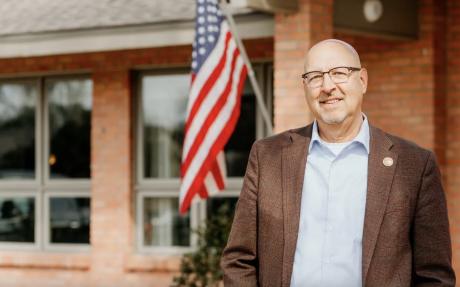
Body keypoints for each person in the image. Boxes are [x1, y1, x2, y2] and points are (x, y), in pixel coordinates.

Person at [220, 39, 455, 287]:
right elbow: (238, 259)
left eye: (339, 73)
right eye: (315, 77)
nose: (327, 86)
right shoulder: (268, 156)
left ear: (362, 80)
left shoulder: (414, 165)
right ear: (305, 86)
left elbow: (434, 276)